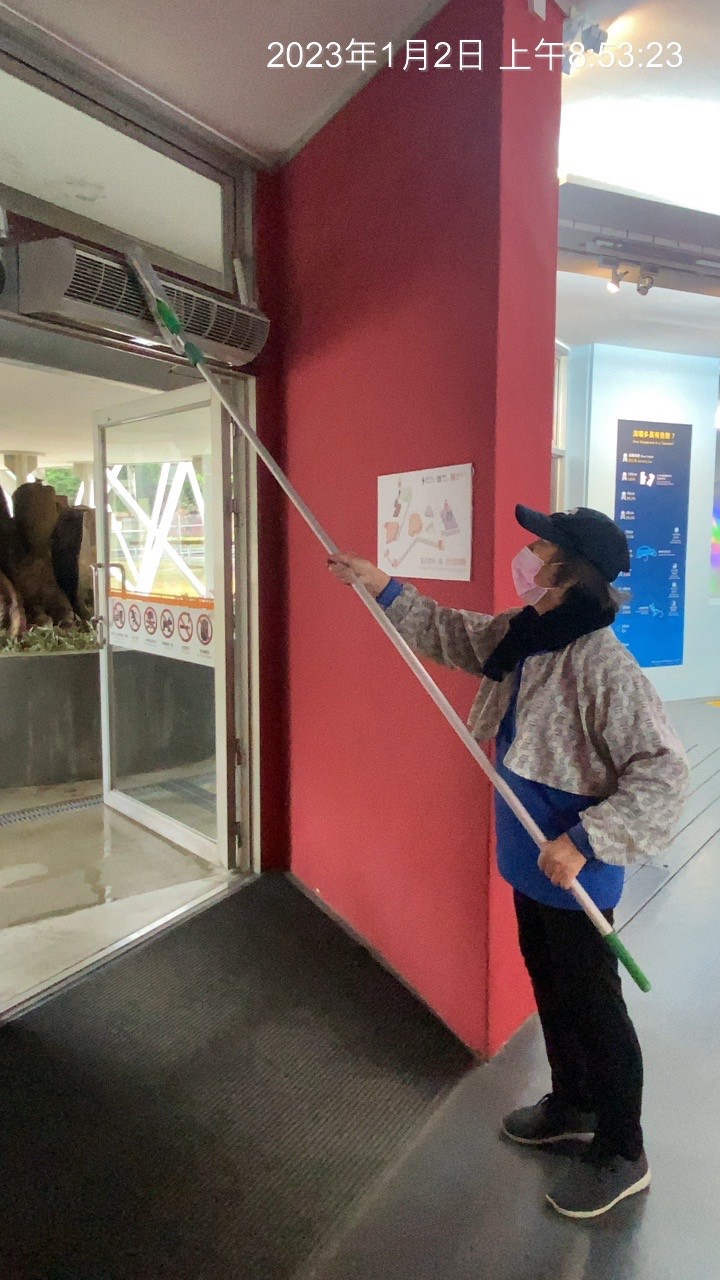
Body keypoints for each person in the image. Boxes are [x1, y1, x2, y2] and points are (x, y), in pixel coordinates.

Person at [329, 503, 689, 1221]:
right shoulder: (527, 634)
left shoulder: (604, 666)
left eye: (541, 547)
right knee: (550, 987)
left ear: (570, 572)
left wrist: (584, 841)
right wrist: (383, 586)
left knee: (594, 1004)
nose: (528, 554)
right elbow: (456, 634)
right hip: (530, 860)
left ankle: (624, 1150)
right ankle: (574, 1104)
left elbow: (664, 772)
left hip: (574, 869)